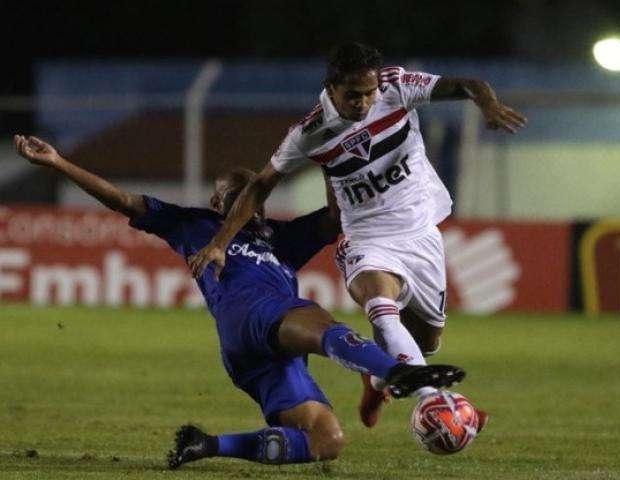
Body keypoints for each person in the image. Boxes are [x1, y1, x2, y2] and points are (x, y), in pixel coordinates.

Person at [14, 134, 465, 469]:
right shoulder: (194, 226)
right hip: (250, 317)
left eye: (256, 196)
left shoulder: (280, 238)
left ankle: (207, 445)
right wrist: (58, 163)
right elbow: (125, 201)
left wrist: (330, 157)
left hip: (254, 358)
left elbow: (334, 219)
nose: (250, 203)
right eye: (237, 195)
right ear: (218, 200)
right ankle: (397, 372)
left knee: (327, 441)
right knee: (320, 322)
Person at [186, 42, 525, 428]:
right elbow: (261, 185)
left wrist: (489, 106)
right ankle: (437, 404)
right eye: (352, 95)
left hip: (419, 231)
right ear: (331, 89)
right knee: (382, 312)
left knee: (427, 342)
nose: (363, 103)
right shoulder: (309, 132)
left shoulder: (396, 86)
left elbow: (470, 84)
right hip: (365, 237)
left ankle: (377, 376)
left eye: (368, 94)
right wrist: (219, 242)